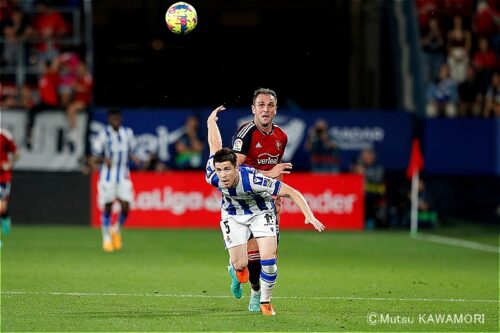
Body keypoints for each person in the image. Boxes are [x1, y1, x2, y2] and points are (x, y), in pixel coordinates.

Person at [205, 105, 324, 316]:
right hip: (233, 215)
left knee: (268, 258)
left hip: (261, 212)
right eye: (219, 170)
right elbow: (215, 146)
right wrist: (210, 122)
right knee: (242, 264)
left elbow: (291, 192)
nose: (222, 175)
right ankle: (236, 270)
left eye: (227, 170)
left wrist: (309, 215)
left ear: (236, 168)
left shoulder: (253, 179)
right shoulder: (213, 175)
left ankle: (265, 302)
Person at [231, 88, 292, 312]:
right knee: (250, 258)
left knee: (270, 254)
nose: (265, 109)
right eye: (261, 105)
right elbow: (234, 171)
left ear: (275, 110)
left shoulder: (281, 137)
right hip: (245, 200)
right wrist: (269, 174)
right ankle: (248, 281)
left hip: (267, 199)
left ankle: (259, 294)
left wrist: (277, 195)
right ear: (253, 109)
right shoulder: (245, 134)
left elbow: (280, 167)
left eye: (270, 105)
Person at [91, 108, 139, 253]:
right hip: (107, 176)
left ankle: (115, 229)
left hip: (124, 175)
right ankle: (106, 238)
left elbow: (131, 150)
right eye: (113, 119)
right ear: (109, 120)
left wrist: (133, 157)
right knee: (108, 206)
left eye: (118, 119)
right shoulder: (103, 135)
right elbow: (94, 156)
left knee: (126, 205)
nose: (116, 121)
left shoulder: (128, 133)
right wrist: (103, 159)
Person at [0, 128, 20, 247]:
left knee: (1, 207)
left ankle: (5, 217)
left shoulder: (4, 135)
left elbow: (17, 154)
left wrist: (9, 164)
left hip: (2, 178)